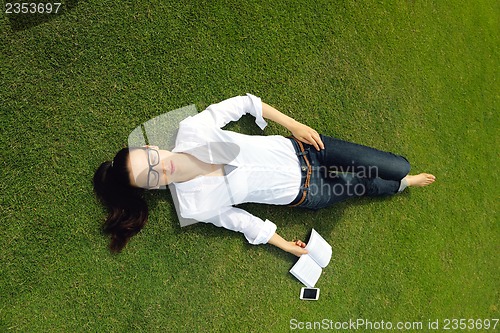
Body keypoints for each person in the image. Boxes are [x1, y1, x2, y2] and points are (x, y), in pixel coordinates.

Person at [93, 94, 435, 254]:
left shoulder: (191, 130)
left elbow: (244, 103)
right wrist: (285, 244)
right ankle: (403, 185)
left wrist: (294, 125)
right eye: (149, 176)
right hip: (309, 192)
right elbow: (241, 221)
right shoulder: (192, 205)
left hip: (308, 149)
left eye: (149, 158)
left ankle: (401, 175)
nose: (159, 167)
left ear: (152, 148)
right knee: (367, 183)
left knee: (395, 164)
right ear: (151, 188)